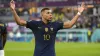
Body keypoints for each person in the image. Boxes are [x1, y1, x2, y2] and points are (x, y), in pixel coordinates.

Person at [10, 0, 86, 56]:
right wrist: (13, 10)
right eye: (48, 13)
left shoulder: (55, 25)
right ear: (42, 15)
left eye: (51, 13)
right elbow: (19, 22)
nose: (51, 15)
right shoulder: (35, 24)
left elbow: (70, 24)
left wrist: (79, 13)